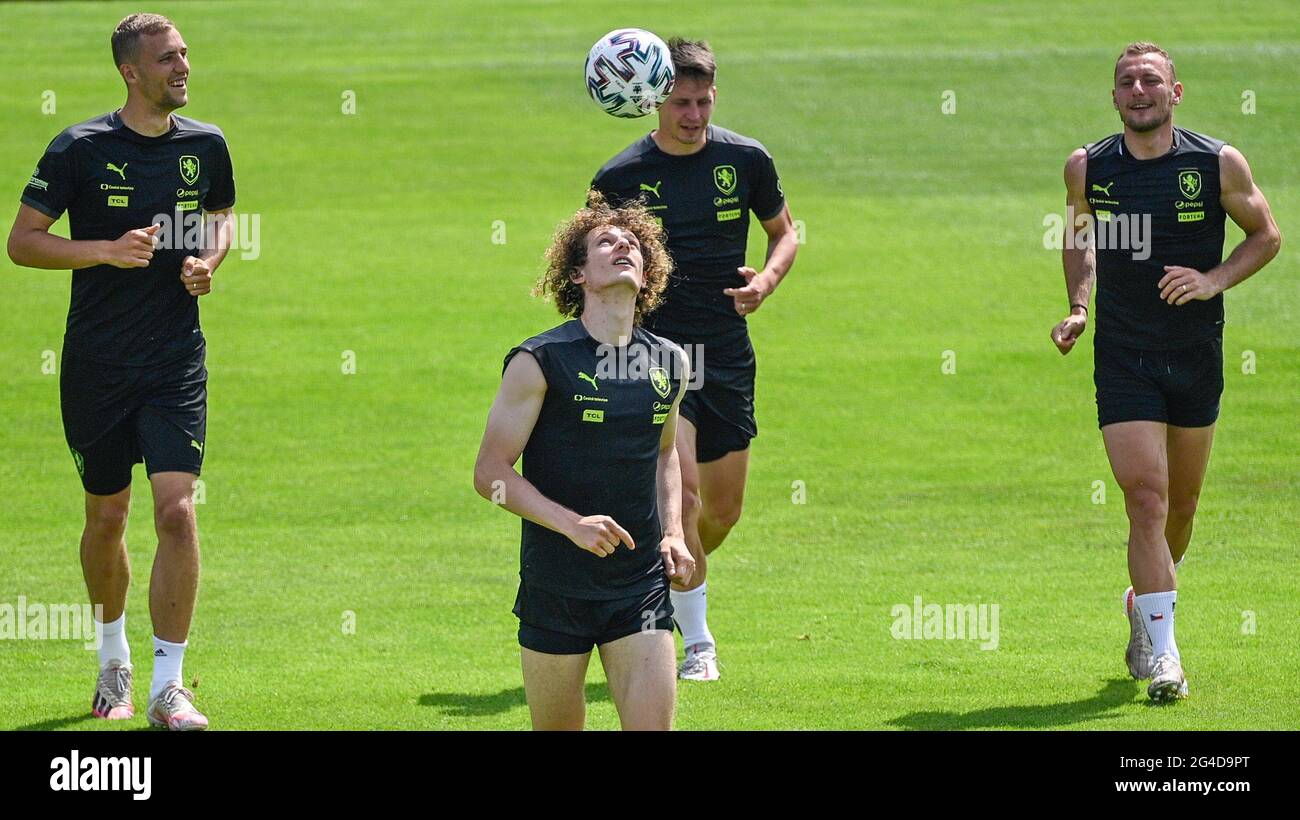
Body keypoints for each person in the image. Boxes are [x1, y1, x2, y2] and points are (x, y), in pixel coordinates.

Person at [7, 13, 237, 729]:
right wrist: (102, 251)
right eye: (167, 59)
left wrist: (210, 261)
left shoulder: (206, 144)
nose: (183, 67)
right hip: (98, 367)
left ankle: (170, 686)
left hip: (175, 363)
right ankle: (114, 666)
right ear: (130, 72)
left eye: (185, 55)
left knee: (176, 510)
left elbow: (222, 214)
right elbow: (22, 243)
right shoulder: (79, 148)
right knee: (107, 516)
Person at [1051, 42, 1280, 701]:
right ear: (1115, 97)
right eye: (1127, 82)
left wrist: (1213, 280)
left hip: (1195, 353)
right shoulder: (1088, 168)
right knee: (1145, 499)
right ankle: (1166, 657)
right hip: (1124, 356)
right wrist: (1077, 308)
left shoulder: (1214, 163)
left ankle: (1144, 603)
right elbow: (1078, 237)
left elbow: (1266, 234)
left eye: (1151, 79)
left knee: (1180, 508)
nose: (1139, 89)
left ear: (1175, 92)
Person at [590, 38, 798, 681]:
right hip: (653, 356)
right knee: (682, 502)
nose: (694, 114)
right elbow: (590, 260)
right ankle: (698, 643)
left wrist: (765, 282)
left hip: (727, 352)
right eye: (681, 102)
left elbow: (785, 231)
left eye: (704, 101)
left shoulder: (747, 158)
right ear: (654, 99)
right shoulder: (619, 178)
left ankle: (659, 577)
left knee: (723, 511)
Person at [474, 192, 695, 730]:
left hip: (638, 585)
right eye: (606, 242)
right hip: (557, 588)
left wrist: (673, 533)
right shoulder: (541, 360)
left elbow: (664, 452)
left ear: (647, 274)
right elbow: (491, 474)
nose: (624, 246)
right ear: (577, 274)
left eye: (633, 244)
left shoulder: (670, 361)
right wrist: (571, 524)